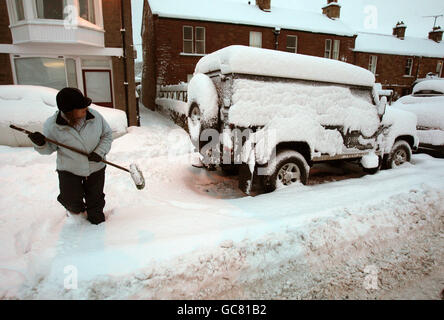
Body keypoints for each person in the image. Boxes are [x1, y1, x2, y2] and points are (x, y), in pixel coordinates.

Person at [28, 87, 113, 225]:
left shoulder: (95, 116)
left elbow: (107, 135)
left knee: (96, 203)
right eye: (81, 107)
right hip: (69, 169)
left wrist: (99, 152)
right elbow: (48, 149)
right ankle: (77, 213)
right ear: (69, 111)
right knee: (70, 200)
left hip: (95, 166)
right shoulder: (53, 125)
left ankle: (96, 226)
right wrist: (41, 144)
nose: (86, 107)